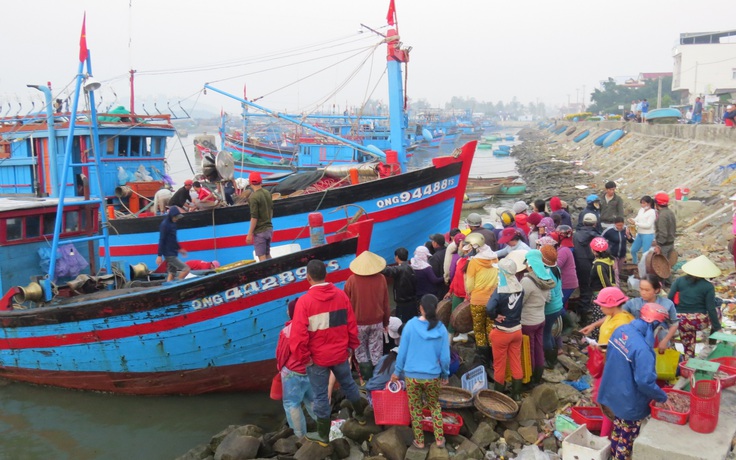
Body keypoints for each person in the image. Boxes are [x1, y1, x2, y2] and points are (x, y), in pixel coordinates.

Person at [290, 260, 367, 446]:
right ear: (326, 274)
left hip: (317, 360)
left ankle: (323, 435)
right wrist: (350, 347)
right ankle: (361, 416)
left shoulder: (304, 302)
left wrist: (304, 359)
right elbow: (351, 325)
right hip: (340, 354)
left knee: (320, 395)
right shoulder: (341, 296)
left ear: (308, 277)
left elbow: (298, 336)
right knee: (349, 384)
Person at [598, 303, 669, 460]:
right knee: (627, 440)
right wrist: (662, 397)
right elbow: (645, 382)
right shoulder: (643, 349)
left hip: (614, 393)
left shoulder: (621, 330)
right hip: (630, 401)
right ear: (654, 324)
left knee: (618, 432)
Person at [391, 294, 450, 450]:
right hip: (433, 377)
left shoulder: (410, 325)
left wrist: (397, 372)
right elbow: (445, 358)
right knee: (434, 406)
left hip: (412, 376)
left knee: (415, 408)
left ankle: (420, 441)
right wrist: (445, 374)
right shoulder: (442, 329)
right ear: (436, 308)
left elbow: (402, 352)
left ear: (421, 308)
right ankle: (439, 440)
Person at [579, 287, 634, 439]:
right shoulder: (615, 316)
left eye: (601, 305)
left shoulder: (623, 322)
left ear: (611, 305)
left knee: (607, 401)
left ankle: (606, 436)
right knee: (604, 399)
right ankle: (607, 433)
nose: (600, 307)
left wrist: (598, 347)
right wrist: (593, 326)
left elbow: (623, 347)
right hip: (607, 363)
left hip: (614, 368)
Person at [344, 251, 390, 380]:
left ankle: (366, 378)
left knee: (361, 352)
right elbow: (386, 303)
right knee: (376, 351)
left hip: (358, 324)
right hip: (377, 322)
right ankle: (378, 378)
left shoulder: (351, 280)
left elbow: (346, 305)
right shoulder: (381, 279)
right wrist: (386, 322)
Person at [276, 298, 317, 439]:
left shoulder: (286, 332)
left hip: (292, 374)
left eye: (288, 309)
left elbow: (282, 354)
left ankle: (300, 436)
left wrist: (280, 369)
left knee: (292, 404)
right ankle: (326, 427)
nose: (287, 311)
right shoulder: (313, 327)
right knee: (313, 400)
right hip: (311, 370)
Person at [668, 255, 722, 358]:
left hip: (682, 321)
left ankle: (688, 361)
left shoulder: (679, 281)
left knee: (688, 345)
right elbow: (710, 308)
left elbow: (669, 299)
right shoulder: (708, 286)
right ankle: (711, 342)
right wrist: (718, 327)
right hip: (699, 322)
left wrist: (672, 318)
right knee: (717, 311)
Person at [486, 258, 525, 401]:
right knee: (516, 361)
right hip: (516, 330)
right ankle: (517, 394)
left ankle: (499, 395)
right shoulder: (520, 288)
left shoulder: (499, 290)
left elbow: (489, 307)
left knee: (499, 364)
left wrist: (495, 316)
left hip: (501, 332)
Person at [520, 250, 555, 387]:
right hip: (540, 318)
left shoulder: (527, 281)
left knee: (529, 350)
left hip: (527, 321)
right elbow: (549, 298)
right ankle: (538, 374)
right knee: (538, 347)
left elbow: (520, 301)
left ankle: (529, 378)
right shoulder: (546, 277)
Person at [463, 233, 499, 366]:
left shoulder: (474, 262)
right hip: (493, 300)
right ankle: (494, 358)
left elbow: (470, 284)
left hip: (478, 300)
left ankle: (484, 360)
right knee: (490, 328)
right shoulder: (495, 259)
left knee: (478, 329)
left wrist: (469, 293)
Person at [623, 274, 679, 352]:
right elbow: (619, 313)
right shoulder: (634, 303)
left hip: (660, 341)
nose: (643, 293)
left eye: (647, 290)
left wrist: (665, 340)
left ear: (656, 290)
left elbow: (674, 324)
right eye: (641, 289)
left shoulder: (667, 304)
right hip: (639, 342)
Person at [540, 245, 564, 368]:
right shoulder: (556, 268)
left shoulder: (546, 272)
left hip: (550, 308)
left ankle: (550, 361)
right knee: (550, 331)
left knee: (546, 334)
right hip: (558, 305)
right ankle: (554, 353)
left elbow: (548, 295)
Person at [573, 213, 600, 323]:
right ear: (595, 224)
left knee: (582, 288)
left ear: (583, 222)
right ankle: (585, 315)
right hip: (591, 264)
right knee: (589, 289)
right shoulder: (597, 237)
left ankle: (580, 312)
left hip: (577, 264)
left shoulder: (575, 235)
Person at [382, 247, 418, 324]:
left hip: (402, 303)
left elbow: (387, 271)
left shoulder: (399, 269)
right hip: (412, 302)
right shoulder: (410, 267)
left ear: (397, 257)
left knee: (402, 323)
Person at [445, 233, 469, 342]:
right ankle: (450, 338)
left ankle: (460, 335)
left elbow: (470, 281)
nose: (458, 249)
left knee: (464, 317)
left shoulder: (470, 263)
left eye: (460, 247)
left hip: (465, 295)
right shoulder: (460, 261)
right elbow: (455, 278)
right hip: (457, 294)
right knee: (453, 317)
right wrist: (450, 291)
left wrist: (468, 296)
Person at [156, 207, 190, 282]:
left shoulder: (173, 224)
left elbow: (173, 239)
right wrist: (159, 255)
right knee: (186, 269)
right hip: (169, 254)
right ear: (171, 216)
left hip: (173, 252)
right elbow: (162, 240)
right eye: (175, 217)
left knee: (172, 272)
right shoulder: (164, 225)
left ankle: (168, 286)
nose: (177, 219)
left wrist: (179, 249)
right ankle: (178, 284)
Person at [247, 172, 274, 261]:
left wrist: (250, 234)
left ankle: (267, 274)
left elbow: (254, 217)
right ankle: (273, 270)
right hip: (269, 229)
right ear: (261, 181)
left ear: (250, 183)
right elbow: (271, 210)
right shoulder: (267, 193)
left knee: (262, 257)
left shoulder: (253, 197)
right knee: (268, 254)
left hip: (260, 232)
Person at [551, 225, 578, 305]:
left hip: (566, 283)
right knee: (562, 305)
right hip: (566, 282)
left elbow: (556, 265)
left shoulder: (564, 250)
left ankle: (567, 318)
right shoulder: (566, 248)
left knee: (558, 306)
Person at [628, 195, 656, 264]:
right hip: (640, 233)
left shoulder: (652, 212)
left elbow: (648, 225)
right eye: (641, 203)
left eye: (644, 203)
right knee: (633, 250)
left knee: (645, 253)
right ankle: (635, 263)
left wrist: (636, 223)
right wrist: (633, 220)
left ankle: (645, 268)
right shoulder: (641, 210)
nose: (642, 205)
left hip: (648, 234)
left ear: (649, 203)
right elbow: (637, 218)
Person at [602, 217, 627, 287]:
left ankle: (613, 284)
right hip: (613, 255)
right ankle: (617, 289)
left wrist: (628, 236)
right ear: (615, 224)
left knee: (618, 272)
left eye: (621, 225)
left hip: (622, 255)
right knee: (615, 272)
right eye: (618, 225)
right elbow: (601, 239)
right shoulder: (609, 230)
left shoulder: (626, 229)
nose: (620, 227)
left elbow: (631, 240)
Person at [652, 192, 676, 262]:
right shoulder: (670, 212)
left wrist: (658, 246)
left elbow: (663, 233)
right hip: (670, 243)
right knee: (666, 266)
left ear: (656, 204)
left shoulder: (662, 215)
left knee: (661, 267)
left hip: (664, 246)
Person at [428, 234, 449, 298]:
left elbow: (434, 276)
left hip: (440, 289)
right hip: (448, 287)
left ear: (435, 244)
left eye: (433, 241)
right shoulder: (448, 252)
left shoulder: (434, 257)